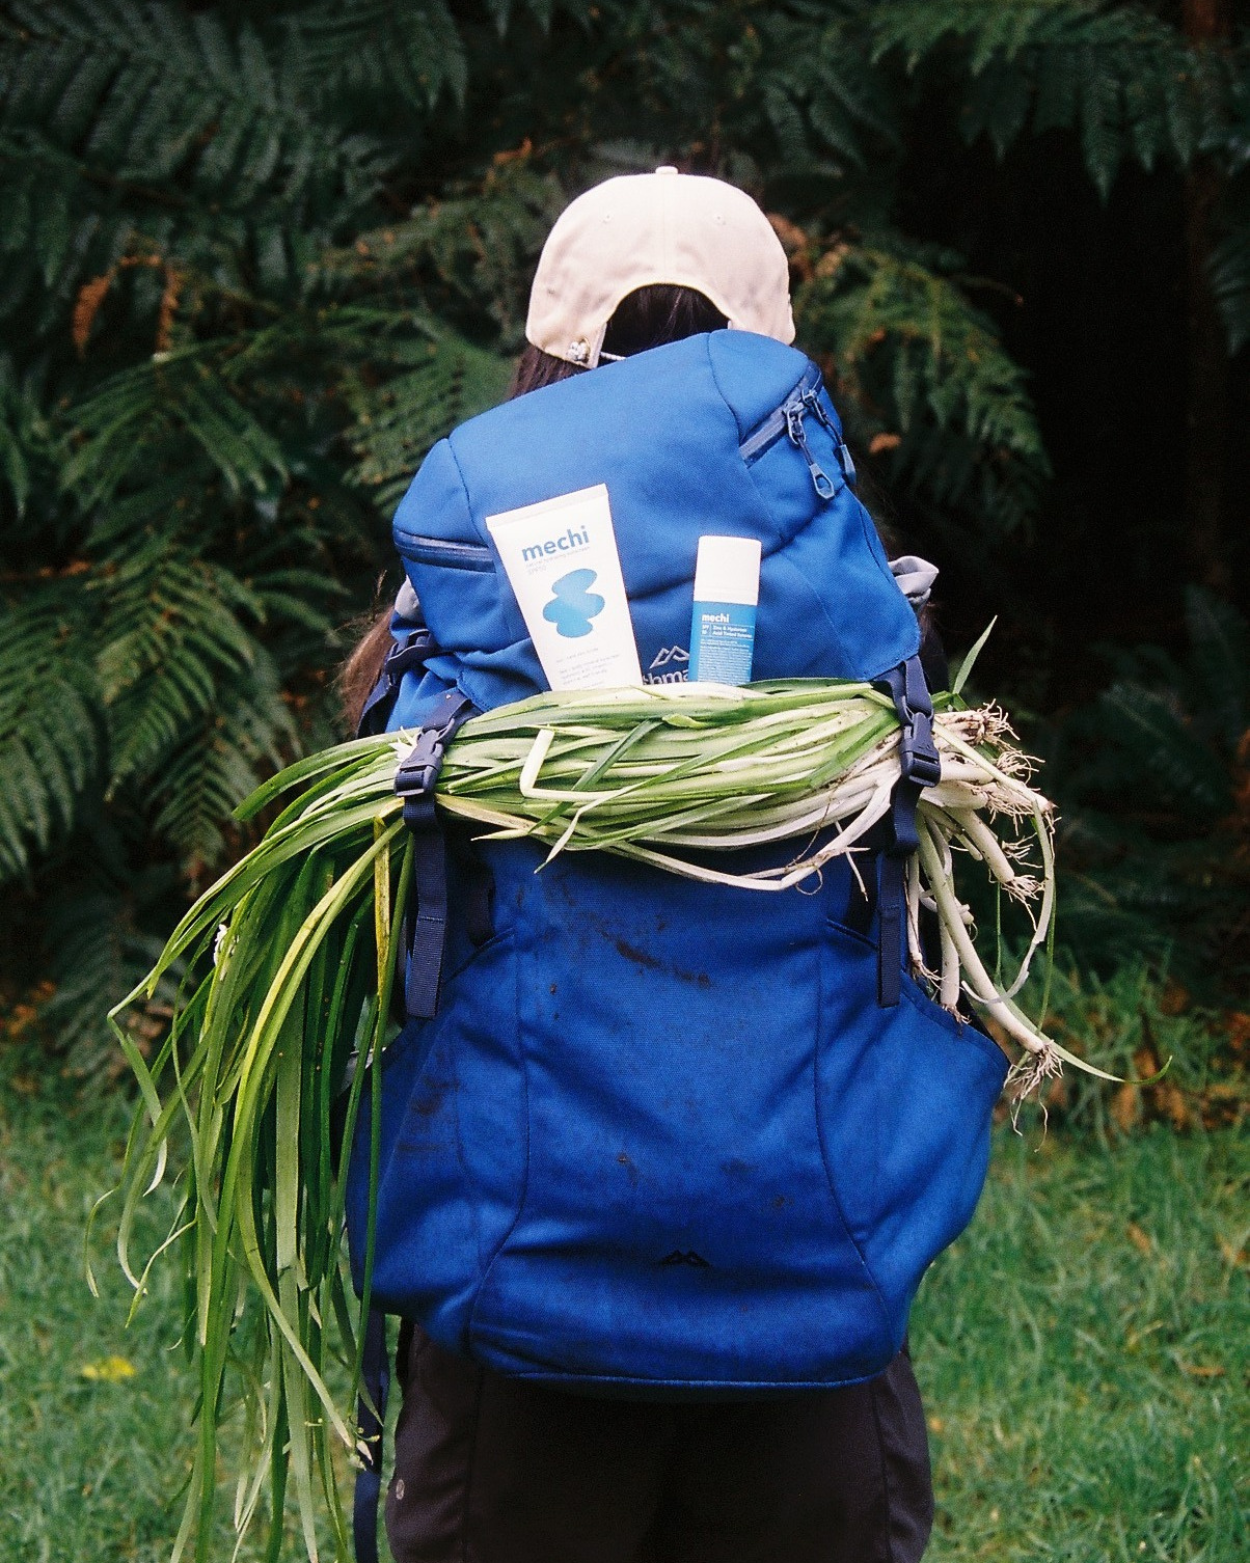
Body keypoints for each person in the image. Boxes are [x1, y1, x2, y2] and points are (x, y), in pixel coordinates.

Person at [343, 168, 939, 1563]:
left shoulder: (449, 609)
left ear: (541, 360)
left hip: (519, 1315)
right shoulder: (863, 619)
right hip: (809, 1310)